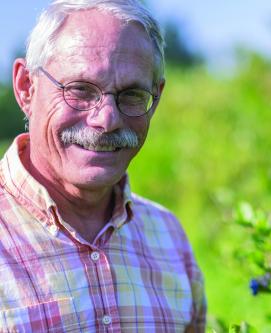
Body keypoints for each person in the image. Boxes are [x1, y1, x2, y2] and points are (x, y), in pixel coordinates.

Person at [0, 0, 206, 332]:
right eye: (79, 89)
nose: (107, 119)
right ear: (26, 87)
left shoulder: (169, 238)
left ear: (156, 99)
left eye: (132, 95)